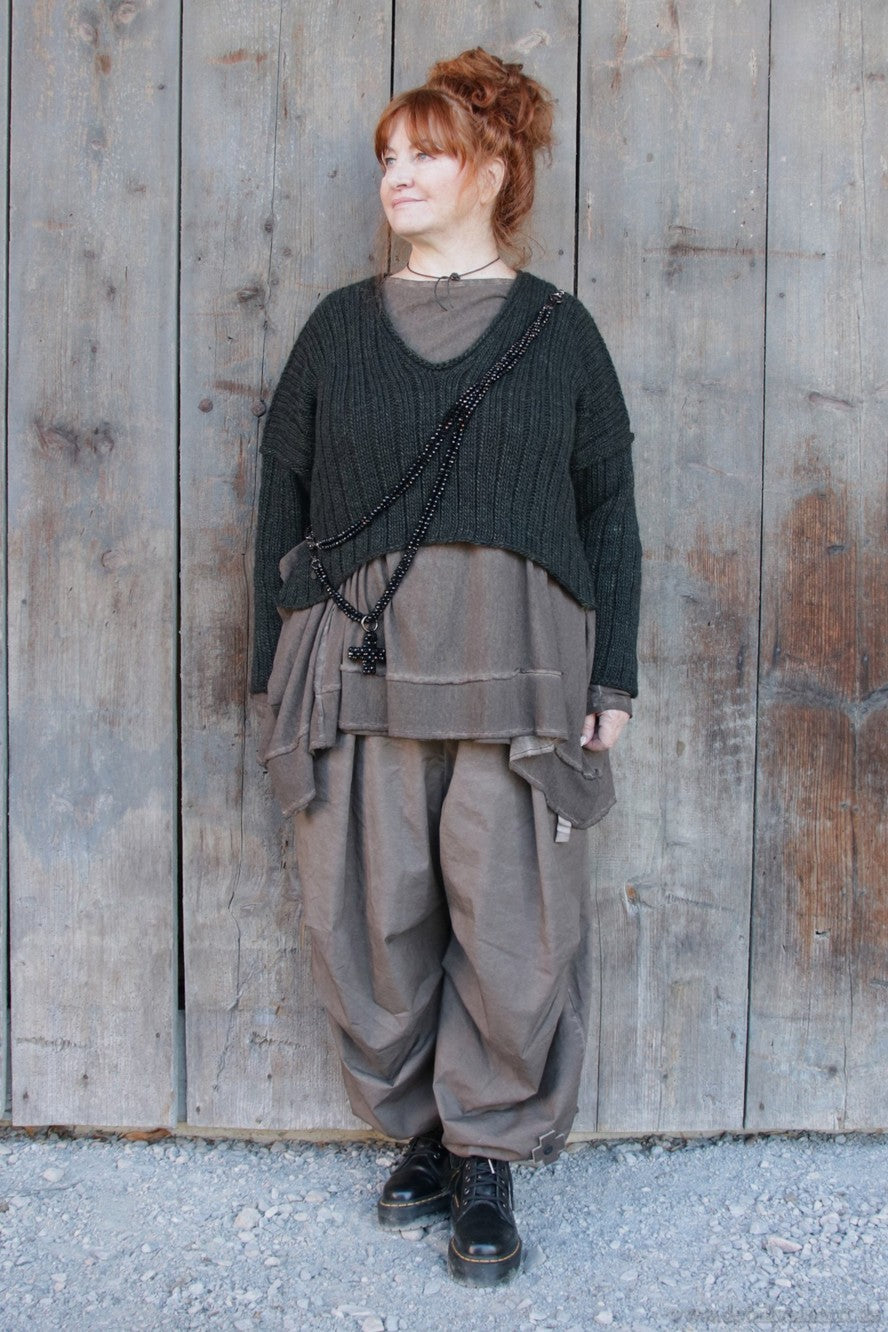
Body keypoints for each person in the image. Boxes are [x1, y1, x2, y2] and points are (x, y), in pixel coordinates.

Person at [250, 48, 641, 1287]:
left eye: (425, 152)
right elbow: (281, 498)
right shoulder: (337, 330)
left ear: (492, 168)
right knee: (365, 916)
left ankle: (487, 1154)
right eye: (387, 156)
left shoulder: (559, 335)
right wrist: (273, 671)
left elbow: (609, 510)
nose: (397, 175)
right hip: (359, 664)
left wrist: (612, 679)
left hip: (517, 667)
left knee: (514, 924)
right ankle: (419, 1131)